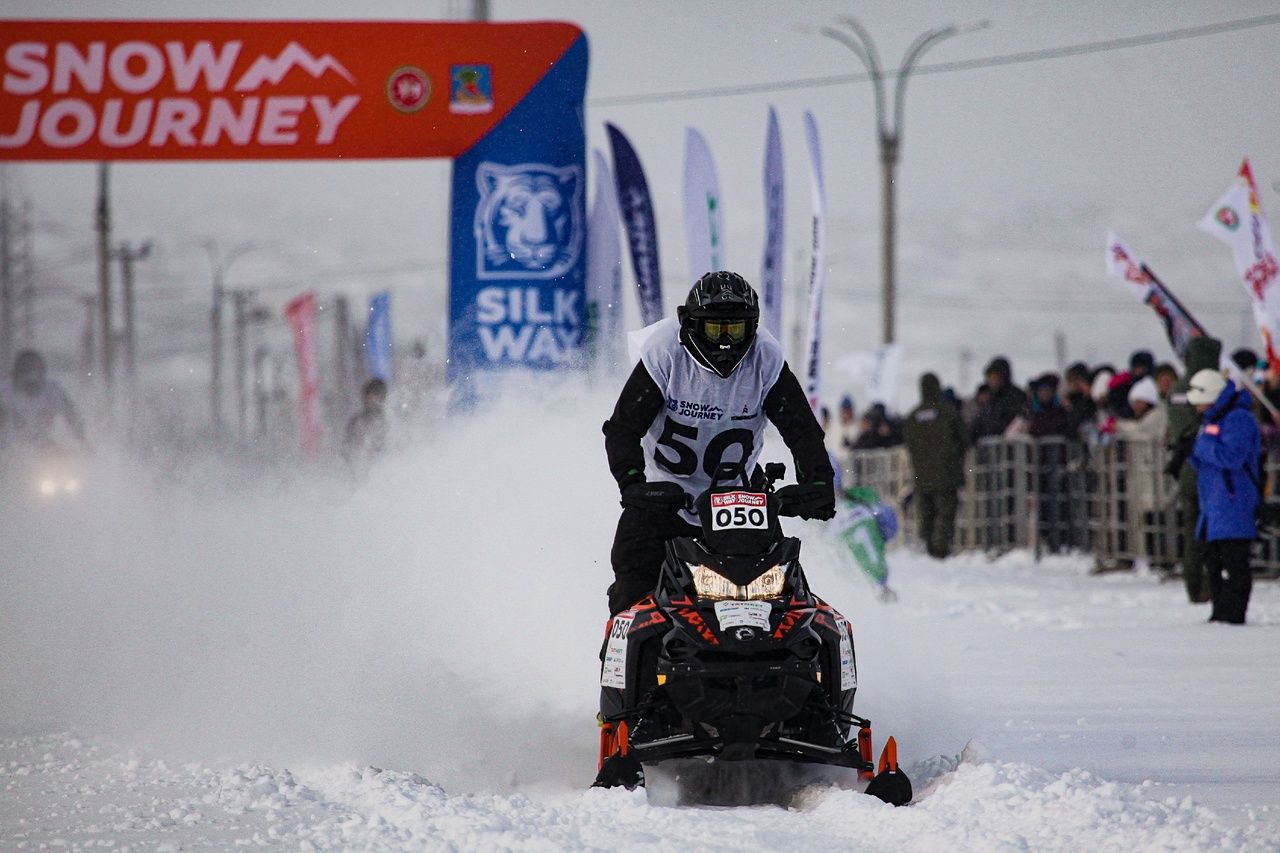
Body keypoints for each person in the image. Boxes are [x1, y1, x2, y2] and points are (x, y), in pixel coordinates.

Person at [601, 271, 835, 615]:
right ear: (691, 325)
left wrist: (818, 483)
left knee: (784, 590)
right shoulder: (665, 351)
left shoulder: (766, 358)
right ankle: (621, 659)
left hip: (738, 502)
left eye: (735, 329)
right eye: (715, 329)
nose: (725, 343)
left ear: (752, 328)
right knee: (631, 588)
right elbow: (622, 429)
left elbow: (802, 432)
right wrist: (633, 483)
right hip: (663, 496)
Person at [1186, 369, 1260, 625]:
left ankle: (1233, 614)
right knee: (1213, 562)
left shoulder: (1238, 418)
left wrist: (1199, 446)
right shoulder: (1214, 418)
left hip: (1233, 502)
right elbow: (1207, 463)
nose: (1197, 409)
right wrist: (1188, 452)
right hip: (1214, 506)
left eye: (1199, 402)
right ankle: (1220, 611)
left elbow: (1232, 457)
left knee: (1235, 563)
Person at [1166, 336, 1221, 603]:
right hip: (1209, 463)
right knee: (1213, 530)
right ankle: (1211, 585)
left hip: (1185, 463)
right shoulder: (1209, 386)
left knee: (1191, 529)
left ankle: (1194, 585)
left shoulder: (1177, 387)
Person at [902, 372, 967, 559]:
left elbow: (909, 443)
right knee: (946, 513)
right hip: (947, 473)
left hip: (922, 475)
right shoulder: (948, 412)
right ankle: (941, 548)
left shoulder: (913, 416)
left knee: (927, 513)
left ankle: (929, 546)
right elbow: (964, 440)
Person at [0, 350, 86, 450]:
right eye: (26, 381)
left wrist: (82, 440)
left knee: (62, 459)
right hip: (7, 447)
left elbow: (71, 416)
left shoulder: (53, 392)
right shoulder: (4, 391)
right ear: (16, 375)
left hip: (43, 445)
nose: (30, 385)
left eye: (33, 381)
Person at [969, 356, 1027, 441]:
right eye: (989, 376)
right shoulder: (991, 400)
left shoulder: (1016, 397)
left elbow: (1010, 424)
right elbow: (978, 425)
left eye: (995, 376)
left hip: (1010, 450)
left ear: (1003, 376)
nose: (991, 380)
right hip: (991, 450)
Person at [343, 378, 388, 464]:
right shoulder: (356, 422)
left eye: (376, 396)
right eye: (368, 396)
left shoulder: (389, 422)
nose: (371, 400)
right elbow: (347, 449)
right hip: (360, 468)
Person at [1115, 376, 1167, 441]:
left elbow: (1140, 431)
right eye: (1134, 402)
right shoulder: (1146, 415)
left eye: (1139, 402)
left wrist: (1117, 425)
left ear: (1148, 401)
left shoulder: (1156, 415)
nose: (1135, 406)